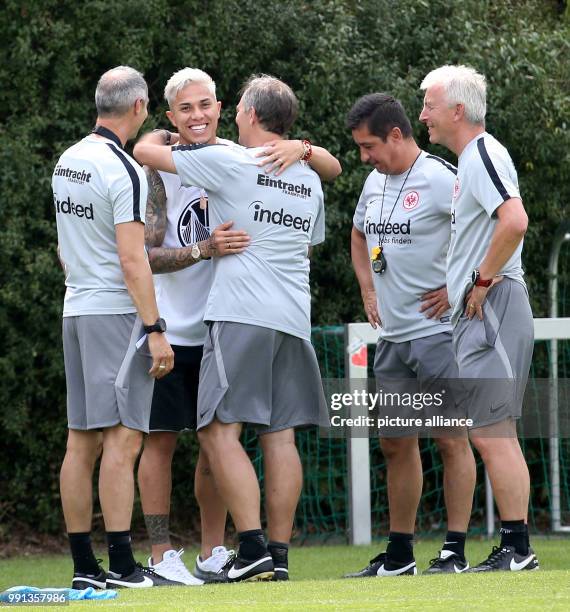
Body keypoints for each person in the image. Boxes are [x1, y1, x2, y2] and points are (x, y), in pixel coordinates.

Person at [134, 73, 339, 582]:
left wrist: (164, 134)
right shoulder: (308, 176)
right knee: (280, 437)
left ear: (244, 113)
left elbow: (144, 152)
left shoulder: (229, 161)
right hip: (295, 319)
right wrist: (305, 150)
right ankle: (280, 554)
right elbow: (311, 230)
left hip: (242, 314)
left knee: (217, 431)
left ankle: (250, 549)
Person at [53, 66, 178, 589]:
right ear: (140, 107)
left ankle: (86, 568)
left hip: (76, 309)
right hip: (112, 312)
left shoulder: (68, 159)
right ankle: (124, 566)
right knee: (124, 438)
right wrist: (155, 327)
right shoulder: (121, 169)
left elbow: (65, 247)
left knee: (80, 444)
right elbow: (134, 261)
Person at [344, 93, 476, 577]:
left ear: (397, 135)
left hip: (439, 334)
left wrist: (457, 286)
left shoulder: (444, 180)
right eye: (359, 148)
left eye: (370, 145)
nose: (365, 157)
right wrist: (366, 287)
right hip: (393, 338)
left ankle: (454, 552)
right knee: (395, 443)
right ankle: (400, 557)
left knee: (450, 439)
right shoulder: (374, 182)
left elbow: (491, 230)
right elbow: (359, 236)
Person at [419, 65, 537, 572]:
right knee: (491, 430)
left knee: (492, 432)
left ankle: (517, 550)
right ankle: (515, 546)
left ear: (457, 111)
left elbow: (515, 220)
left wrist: (482, 282)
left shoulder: (483, 153)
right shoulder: (471, 160)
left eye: (428, 104)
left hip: (493, 307)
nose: (422, 114)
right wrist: (461, 286)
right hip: (480, 308)